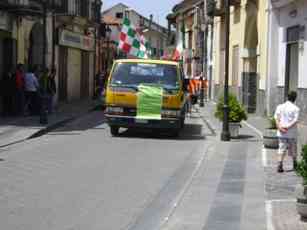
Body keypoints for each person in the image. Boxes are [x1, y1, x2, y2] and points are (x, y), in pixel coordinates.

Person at [274, 91, 300, 173]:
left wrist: (280, 127)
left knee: (281, 148)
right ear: (295, 98)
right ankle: (295, 164)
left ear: (287, 97)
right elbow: (295, 120)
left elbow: (276, 118)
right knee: (293, 149)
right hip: (291, 133)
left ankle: (280, 165)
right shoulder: (296, 108)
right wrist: (287, 127)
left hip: (282, 132)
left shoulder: (280, 107)